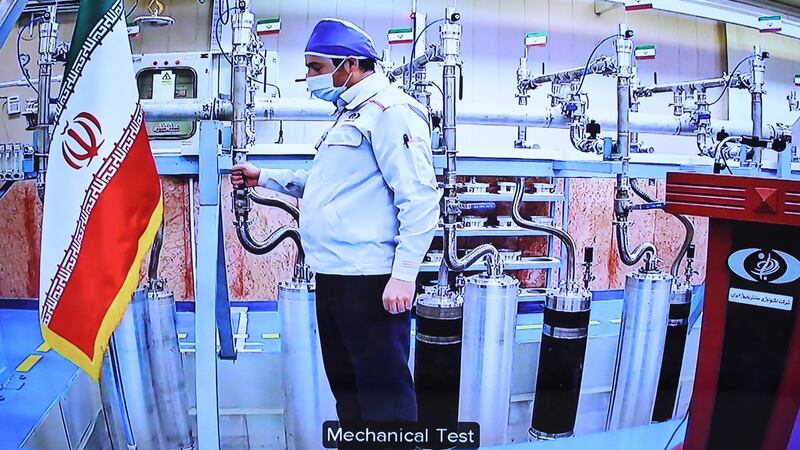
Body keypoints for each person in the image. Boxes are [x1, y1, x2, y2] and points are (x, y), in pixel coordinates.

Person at [231, 18, 440, 425]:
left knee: (385, 401)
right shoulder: (347, 115)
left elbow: (419, 197)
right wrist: (268, 178)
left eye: (316, 67)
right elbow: (330, 187)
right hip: (334, 278)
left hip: (372, 282)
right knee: (349, 395)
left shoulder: (390, 112)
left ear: (351, 65)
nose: (310, 77)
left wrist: (405, 273)